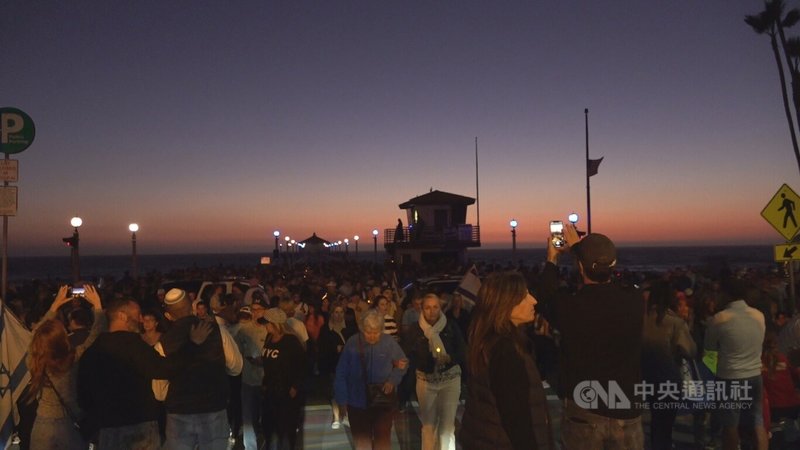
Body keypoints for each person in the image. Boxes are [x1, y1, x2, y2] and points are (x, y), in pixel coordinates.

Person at [539, 226, 645, 450]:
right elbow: (615, 287)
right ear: (613, 265)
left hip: (584, 408)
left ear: (579, 267)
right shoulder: (634, 300)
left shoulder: (570, 305)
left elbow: (545, 294)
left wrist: (553, 258)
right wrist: (580, 250)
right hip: (627, 407)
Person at [77, 298, 211, 449]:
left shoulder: (93, 350)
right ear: (122, 315)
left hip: (108, 427)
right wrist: (192, 346)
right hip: (139, 425)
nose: (140, 319)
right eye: (137, 314)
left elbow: (83, 396)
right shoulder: (132, 344)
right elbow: (162, 368)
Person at [459, 272, 554, 450]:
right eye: (524, 296)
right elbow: (516, 418)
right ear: (505, 304)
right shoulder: (506, 351)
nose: (533, 300)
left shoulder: (486, 342)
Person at [152, 288, 243, 450]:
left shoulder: (163, 344)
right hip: (214, 408)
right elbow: (236, 367)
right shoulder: (217, 331)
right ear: (192, 307)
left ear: (168, 315)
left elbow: (159, 392)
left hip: (178, 413)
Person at [28, 284, 105, 450]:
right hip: (68, 425)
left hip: (42, 423)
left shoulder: (35, 361)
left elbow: (34, 334)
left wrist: (55, 305)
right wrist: (97, 307)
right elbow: (96, 334)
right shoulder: (73, 358)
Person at [705, 277, 767, 450]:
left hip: (730, 376)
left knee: (730, 425)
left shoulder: (720, 318)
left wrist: (713, 373)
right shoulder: (758, 315)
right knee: (757, 422)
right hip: (755, 374)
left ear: (726, 294)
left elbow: (709, 351)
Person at [335, 310, 408, 450]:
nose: (373, 336)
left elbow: (403, 362)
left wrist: (393, 380)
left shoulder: (388, 342)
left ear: (381, 330)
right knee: (362, 444)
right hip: (357, 402)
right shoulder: (352, 343)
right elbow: (341, 373)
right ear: (362, 329)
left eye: (376, 332)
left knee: (383, 442)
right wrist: (342, 400)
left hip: (382, 401)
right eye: (369, 332)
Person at [406, 293, 466, 450]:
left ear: (441, 308)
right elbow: (409, 355)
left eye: (435, 307)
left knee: (446, 427)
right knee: (428, 426)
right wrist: (425, 360)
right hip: (426, 382)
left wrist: (449, 358)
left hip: (449, 380)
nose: (431, 311)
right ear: (422, 309)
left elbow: (462, 350)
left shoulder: (450, 326)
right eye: (427, 307)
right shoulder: (415, 329)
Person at [641, 281, 697, 450]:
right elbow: (690, 351)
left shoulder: (641, 319)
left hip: (646, 377)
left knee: (656, 420)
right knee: (665, 425)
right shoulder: (675, 322)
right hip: (669, 378)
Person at [260, 308, 307, 450]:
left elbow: (302, 366)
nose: (265, 326)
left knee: (285, 430)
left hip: (286, 392)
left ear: (275, 324)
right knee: (270, 428)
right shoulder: (269, 339)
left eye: (267, 323)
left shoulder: (291, 342)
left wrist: (295, 386)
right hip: (270, 391)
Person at [318, 302, 357, 429]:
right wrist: (334, 349)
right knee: (335, 391)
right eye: (336, 312)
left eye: (341, 312)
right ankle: (336, 416)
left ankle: (345, 414)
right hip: (333, 364)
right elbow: (322, 348)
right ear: (332, 314)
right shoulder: (326, 329)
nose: (339, 315)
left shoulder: (350, 328)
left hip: (349, 365)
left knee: (348, 390)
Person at [234, 303, 267, 450]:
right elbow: (236, 353)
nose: (256, 312)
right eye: (254, 310)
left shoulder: (269, 330)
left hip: (266, 380)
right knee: (248, 417)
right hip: (248, 380)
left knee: (265, 414)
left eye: (259, 309)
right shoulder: (244, 331)